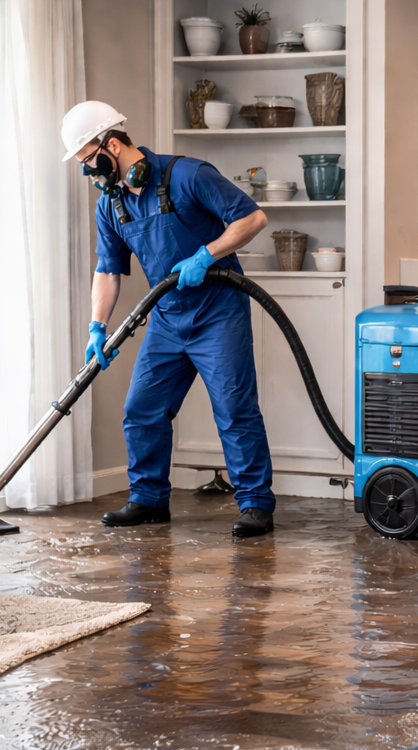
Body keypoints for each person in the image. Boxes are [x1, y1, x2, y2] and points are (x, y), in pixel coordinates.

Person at [60, 101, 276, 537]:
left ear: (113, 144)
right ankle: (149, 499)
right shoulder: (112, 206)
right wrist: (96, 326)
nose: (89, 172)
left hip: (218, 310)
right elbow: (107, 270)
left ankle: (255, 504)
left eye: (89, 160)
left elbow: (253, 217)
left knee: (234, 409)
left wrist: (207, 254)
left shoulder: (187, 175)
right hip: (167, 317)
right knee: (142, 408)